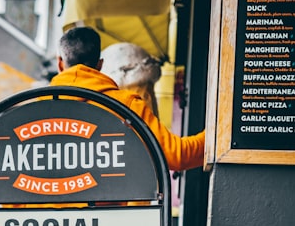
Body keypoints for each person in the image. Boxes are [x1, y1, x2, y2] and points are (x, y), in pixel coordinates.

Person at [50, 26, 205, 172]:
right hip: (110, 200)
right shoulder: (126, 106)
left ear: (60, 64)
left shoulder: (31, 110)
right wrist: (219, 131)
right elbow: (177, 155)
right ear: (99, 65)